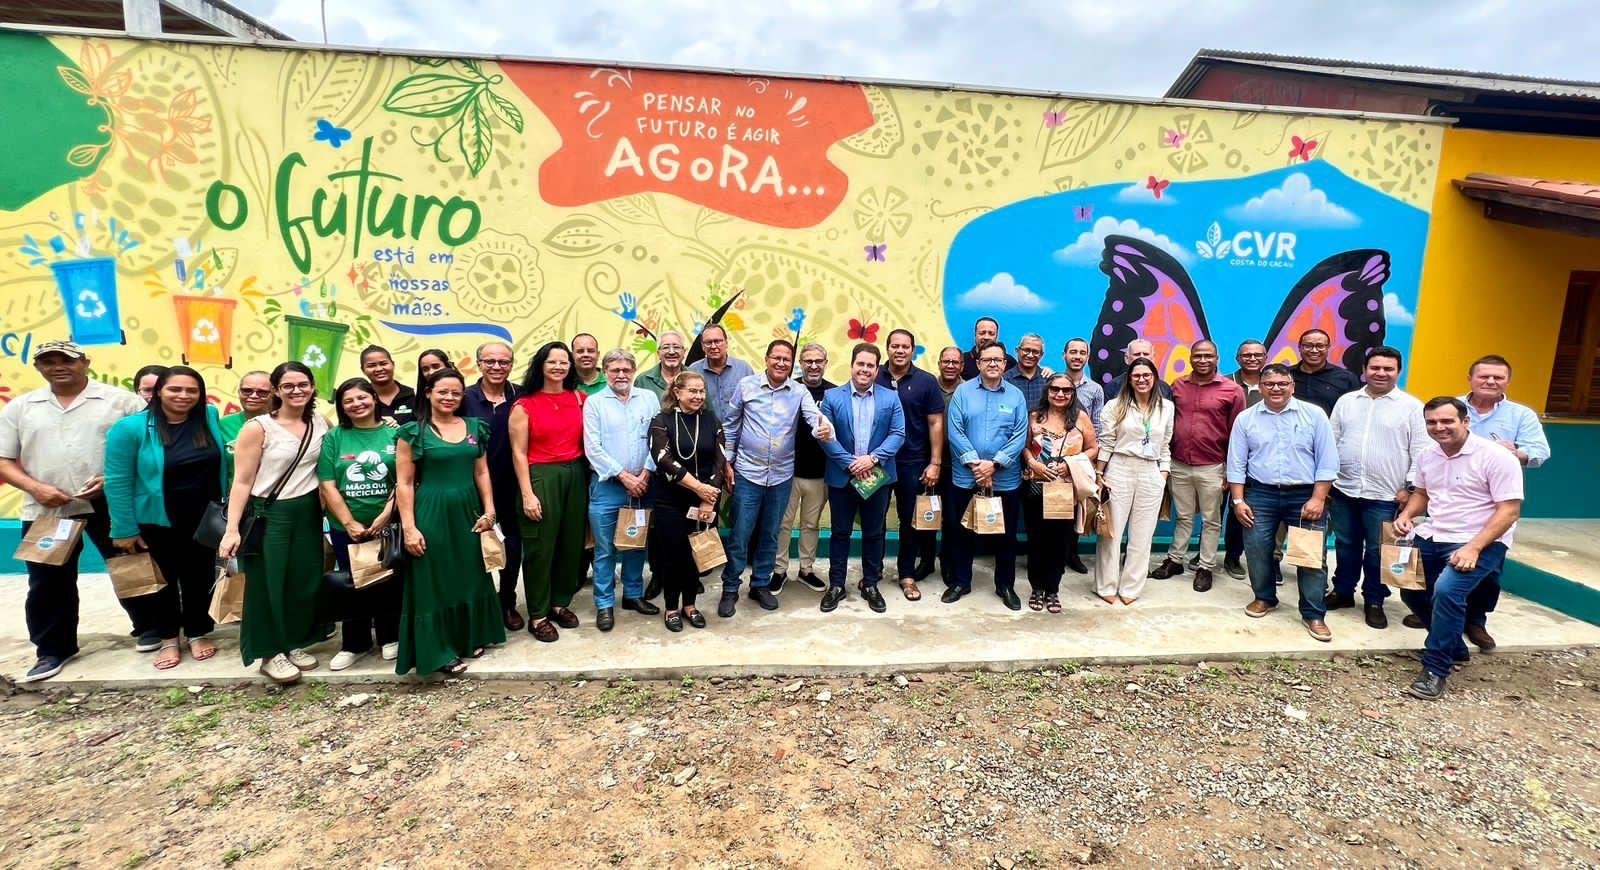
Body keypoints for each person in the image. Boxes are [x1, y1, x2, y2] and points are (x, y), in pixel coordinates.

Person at [2, 340, 148, 683]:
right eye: (48, 361)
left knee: (131, 565)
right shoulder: (22, 408)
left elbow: (149, 447)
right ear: (39, 367)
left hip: (110, 503)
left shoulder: (121, 401)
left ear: (84, 362)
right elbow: (4, 460)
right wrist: (35, 488)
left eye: (66, 359)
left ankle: (150, 629)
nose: (58, 366)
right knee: (48, 581)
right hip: (48, 508)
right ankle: (53, 648)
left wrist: (112, 478)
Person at [1394, 397, 1524, 700]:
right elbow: (1423, 493)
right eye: (1432, 422)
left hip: (1483, 539)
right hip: (1435, 532)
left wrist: (1474, 548)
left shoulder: (1496, 457)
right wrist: (1406, 515)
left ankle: (1435, 668)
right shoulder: (1428, 456)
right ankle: (1454, 646)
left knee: (1447, 591)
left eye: (1447, 421)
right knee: (1408, 587)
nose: (1439, 428)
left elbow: (1509, 511)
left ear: (1465, 422)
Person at [1426, 354, 1552, 649]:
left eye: (1498, 377)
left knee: (1488, 571)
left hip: (1494, 503)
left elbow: (1539, 452)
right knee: (1436, 569)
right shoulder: (1449, 407)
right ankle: (1439, 613)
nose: (1491, 382)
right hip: (1451, 501)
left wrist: (1513, 452)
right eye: (1484, 376)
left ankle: (1476, 620)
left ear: (1508, 381)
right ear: (1470, 378)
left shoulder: (1521, 415)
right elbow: (1426, 448)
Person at [105, 366, 226, 671]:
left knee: (200, 577)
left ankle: (198, 633)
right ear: (158, 391)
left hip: (204, 517)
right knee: (162, 581)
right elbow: (117, 480)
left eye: (191, 390)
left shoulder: (208, 418)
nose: (183, 396)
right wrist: (124, 529)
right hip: (155, 520)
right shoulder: (130, 428)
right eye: (175, 389)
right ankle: (169, 638)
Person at [218, 362, 329, 685]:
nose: (297, 391)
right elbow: (241, 481)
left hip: (307, 511)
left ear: (312, 388)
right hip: (270, 512)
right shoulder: (259, 427)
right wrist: (232, 529)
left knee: (303, 579)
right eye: (289, 386)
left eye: (303, 384)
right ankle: (269, 653)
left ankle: (293, 641)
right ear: (277, 391)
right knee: (267, 584)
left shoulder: (320, 422)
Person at [395, 368, 504, 675]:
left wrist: (490, 511)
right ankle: (438, 652)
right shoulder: (412, 432)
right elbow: (403, 483)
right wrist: (409, 527)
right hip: (431, 511)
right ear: (428, 393)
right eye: (442, 391)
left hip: (468, 510)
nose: (449, 398)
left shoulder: (474, 427)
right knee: (434, 580)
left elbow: (481, 472)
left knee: (469, 574)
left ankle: (467, 638)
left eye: (456, 392)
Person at [718, 340, 831, 618]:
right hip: (747, 473)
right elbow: (731, 425)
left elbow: (813, 417)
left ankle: (759, 585)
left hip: (781, 476)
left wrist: (823, 429)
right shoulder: (746, 386)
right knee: (741, 534)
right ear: (766, 359)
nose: (781, 363)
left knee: (771, 534)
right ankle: (730, 589)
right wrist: (728, 462)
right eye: (776, 357)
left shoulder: (799, 391)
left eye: (786, 359)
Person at [1226, 364, 1339, 641]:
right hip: (1260, 494)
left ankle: (1313, 614)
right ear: (1261, 387)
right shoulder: (1246, 418)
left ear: (1292, 386)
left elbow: (1327, 460)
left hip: (1304, 495)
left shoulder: (1314, 416)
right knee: (1256, 549)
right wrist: (1238, 500)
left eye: (1282, 383)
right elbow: (1237, 462)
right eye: (1270, 384)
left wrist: (1318, 498)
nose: (1276, 389)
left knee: (1310, 557)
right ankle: (1264, 597)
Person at [1325, 347, 1429, 629]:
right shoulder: (1347, 401)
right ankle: (1343, 591)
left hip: (1386, 496)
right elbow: (1332, 442)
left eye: (1388, 369)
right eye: (1375, 368)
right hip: (1344, 490)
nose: (1381, 373)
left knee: (1378, 550)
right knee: (1345, 545)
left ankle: (1374, 600)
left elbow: (1421, 452)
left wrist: (1410, 488)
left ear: (1398, 371)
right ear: (1365, 370)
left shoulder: (1412, 407)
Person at [317, 378, 401, 670]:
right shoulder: (335, 437)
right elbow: (328, 483)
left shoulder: (395, 434)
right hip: (347, 525)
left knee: (388, 577)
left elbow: (404, 479)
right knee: (352, 581)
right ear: (341, 406)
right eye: (348, 400)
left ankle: (391, 636)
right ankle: (354, 642)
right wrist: (348, 521)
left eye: (362, 397)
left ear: (375, 399)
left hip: (388, 522)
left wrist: (386, 514)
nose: (356, 404)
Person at [1149, 340, 1244, 592]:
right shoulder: (1178, 385)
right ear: (1191, 358)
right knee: (1183, 517)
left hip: (1212, 466)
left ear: (1217, 358)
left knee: (1212, 520)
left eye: (1208, 356)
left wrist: (1230, 470)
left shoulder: (1232, 390)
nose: (1203, 360)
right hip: (1179, 463)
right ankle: (1175, 560)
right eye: (1198, 356)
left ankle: (1205, 566)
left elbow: (1238, 434)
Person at [818, 343, 906, 613]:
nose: (865, 370)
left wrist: (873, 459)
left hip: (877, 476)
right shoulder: (832, 397)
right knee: (840, 533)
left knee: (874, 532)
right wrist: (851, 463)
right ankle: (836, 585)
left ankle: (870, 583)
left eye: (870, 365)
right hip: (842, 477)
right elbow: (825, 436)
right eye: (861, 364)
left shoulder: (891, 397)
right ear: (852, 365)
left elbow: (898, 434)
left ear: (877, 368)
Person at [510, 342, 588, 642]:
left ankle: (559, 603)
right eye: (552, 362)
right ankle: (538, 614)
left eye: (564, 362)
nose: (559, 367)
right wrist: (528, 494)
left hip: (575, 473)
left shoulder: (579, 399)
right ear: (540, 365)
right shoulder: (524, 405)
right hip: (541, 476)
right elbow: (518, 453)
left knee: (570, 544)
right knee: (541, 548)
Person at [942, 343, 1029, 608]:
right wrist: (976, 465)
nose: (992, 364)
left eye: (998, 360)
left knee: (1006, 536)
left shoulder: (1015, 396)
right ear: (978, 363)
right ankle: (961, 581)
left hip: (1005, 479)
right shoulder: (962, 392)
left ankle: (1005, 585)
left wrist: (995, 465)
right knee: (961, 532)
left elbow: (1020, 435)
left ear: (1005, 364)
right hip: (966, 477)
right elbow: (954, 431)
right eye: (987, 359)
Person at [583, 349, 661, 630]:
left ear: (633, 371)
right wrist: (625, 476)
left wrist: (646, 472)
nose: (621, 375)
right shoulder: (595, 403)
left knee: (636, 543)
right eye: (614, 370)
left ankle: (633, 595)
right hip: (608, 487)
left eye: (626, 370)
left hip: (644, 484)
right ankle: (605, 604)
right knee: (604, 549)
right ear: (605, 372)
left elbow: (658, 438)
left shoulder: (648, 398)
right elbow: (593, 448)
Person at [647, 371, 727, 632]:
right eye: (692, 391)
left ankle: (690, 605)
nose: (698, 396)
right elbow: (663, 459)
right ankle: (671, 608)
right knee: (672, 556)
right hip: (669, 499)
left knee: (696, 554)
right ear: (677, 392)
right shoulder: (661, 421)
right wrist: (699, 488)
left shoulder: (711, 420)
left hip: (704, 499)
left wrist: (709, 496)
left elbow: (720, 458)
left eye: (701, 391)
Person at [1095, 358, 1175, 605]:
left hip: (1151, 472)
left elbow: (1165, 445)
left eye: (1147, 375)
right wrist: (1099, 475)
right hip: (1120, 468)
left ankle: (1131, 587)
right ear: (1129, 379)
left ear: (1155, 378)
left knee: (1142, 535)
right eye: (1136, 375)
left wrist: (1162, 475)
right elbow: (1106, 442)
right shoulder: (1115, 405)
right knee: (1112, 533)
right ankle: (1106, 584)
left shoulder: (1167, 407)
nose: (1142, 379)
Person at [877, 329, 946, 599]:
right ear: (888, 348)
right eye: (895, 346)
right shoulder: (874, 376)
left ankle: (906, 574)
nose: (900, 351)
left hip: (913, 462)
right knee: (875, 520)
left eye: (905, 346)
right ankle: (873, 572)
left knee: (910, 522)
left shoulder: (926, 382)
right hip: (878, 462)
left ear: (913, 350)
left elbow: (935, 423)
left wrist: (935, 463)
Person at [462, 341, 525, 631]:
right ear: (479, 364)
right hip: (472, 485)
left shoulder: (521, 397)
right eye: (490, 361)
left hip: (513, 484)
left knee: (512, 547)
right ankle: (481, 605)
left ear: (511, 364)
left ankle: (507, 601)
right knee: (475, 549)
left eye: (503, 362)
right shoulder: (464, 398)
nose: (497, 367)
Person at [1022, 374, 1098, 612]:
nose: (1060, 394)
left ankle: (1053, 589)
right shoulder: (1034, 416)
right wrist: (1032, 463)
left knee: (1059, 542)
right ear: (1047, 391)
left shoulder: (1080, 418)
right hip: (1036, 484)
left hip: (1065, 489)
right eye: (1055, 389)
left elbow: (1094, 448)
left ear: (1073, 394)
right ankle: (1037, 588)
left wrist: (1072, 463)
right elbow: (1023, 446)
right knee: (1036, 540)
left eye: (1066, 390)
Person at [772, 343, 834, 594]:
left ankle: (806, 569)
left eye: (818, 361)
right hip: (787, 472)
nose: (813, 366)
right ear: (800, 363)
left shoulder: (834, 393)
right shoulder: (789, 389)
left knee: (811, 524)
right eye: (808, 361)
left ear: (825, 363)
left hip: (820, 473)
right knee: (783, 524)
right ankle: (779, 570)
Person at [1220, 340, 1269, 579]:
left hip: (1258, 462)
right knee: (1215, 510)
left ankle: (1233, 556)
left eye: (1257, 355)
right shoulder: (1225, 382)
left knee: (1242, 510)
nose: (1252, 359)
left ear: (1265, 357)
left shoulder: (1273, 384)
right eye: (1246, 355)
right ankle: (1205, 553)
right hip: (1222, 456)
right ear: (1238, 358)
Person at [689, 324, 754, 421]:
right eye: (708, 342)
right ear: (702, 346)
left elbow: (753, 403)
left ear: (726, 343)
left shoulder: (744, 369)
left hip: (738, 432)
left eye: (718, 341)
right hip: (707, 432)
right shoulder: (693, 371)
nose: (713, 346)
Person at [1289, 329, 1360, 416]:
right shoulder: (1286, 375)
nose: (1314, 350)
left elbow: (1354, 412)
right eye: (1308, 345)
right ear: (1299, 347)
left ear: (1328, 348)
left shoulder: (1346, 378)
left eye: (1320, 346)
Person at [359, 345, 416, 425]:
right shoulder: (360, 401)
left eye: (383, 363)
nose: (379, 369)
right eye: (371, 365)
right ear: (363, 370)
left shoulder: (414, 395)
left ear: (393, 364)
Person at [1103, 339, 1173, 401]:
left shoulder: (1164, 389)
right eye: (1137, 354)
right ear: (1127, 359)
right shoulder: (1112, 388)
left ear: (1153, 358)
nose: (1141, 358)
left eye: (1146, 354)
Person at [1061, 338, 1107, 428]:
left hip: (1083, 440)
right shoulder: (1053, 385)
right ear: (1064, 355)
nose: (1078, 357)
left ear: (1088, 357)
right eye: (1073, 352)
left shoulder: (1095, 389)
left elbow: (1097, 425)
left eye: (1082, 353)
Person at [635, 331, 687, 399]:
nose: (671, 352)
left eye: (676, 347)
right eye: (665, 347)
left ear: (684, 352)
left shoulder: (696, 376)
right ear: (658, 353)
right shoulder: (643, 380)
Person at [1004, 334, 1050, 409]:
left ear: (1041, 355)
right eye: (1026, 350)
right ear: (1017, 351)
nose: (1030, 355)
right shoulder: (1005, 380)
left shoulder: (1048, 379)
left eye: (1035, 352)